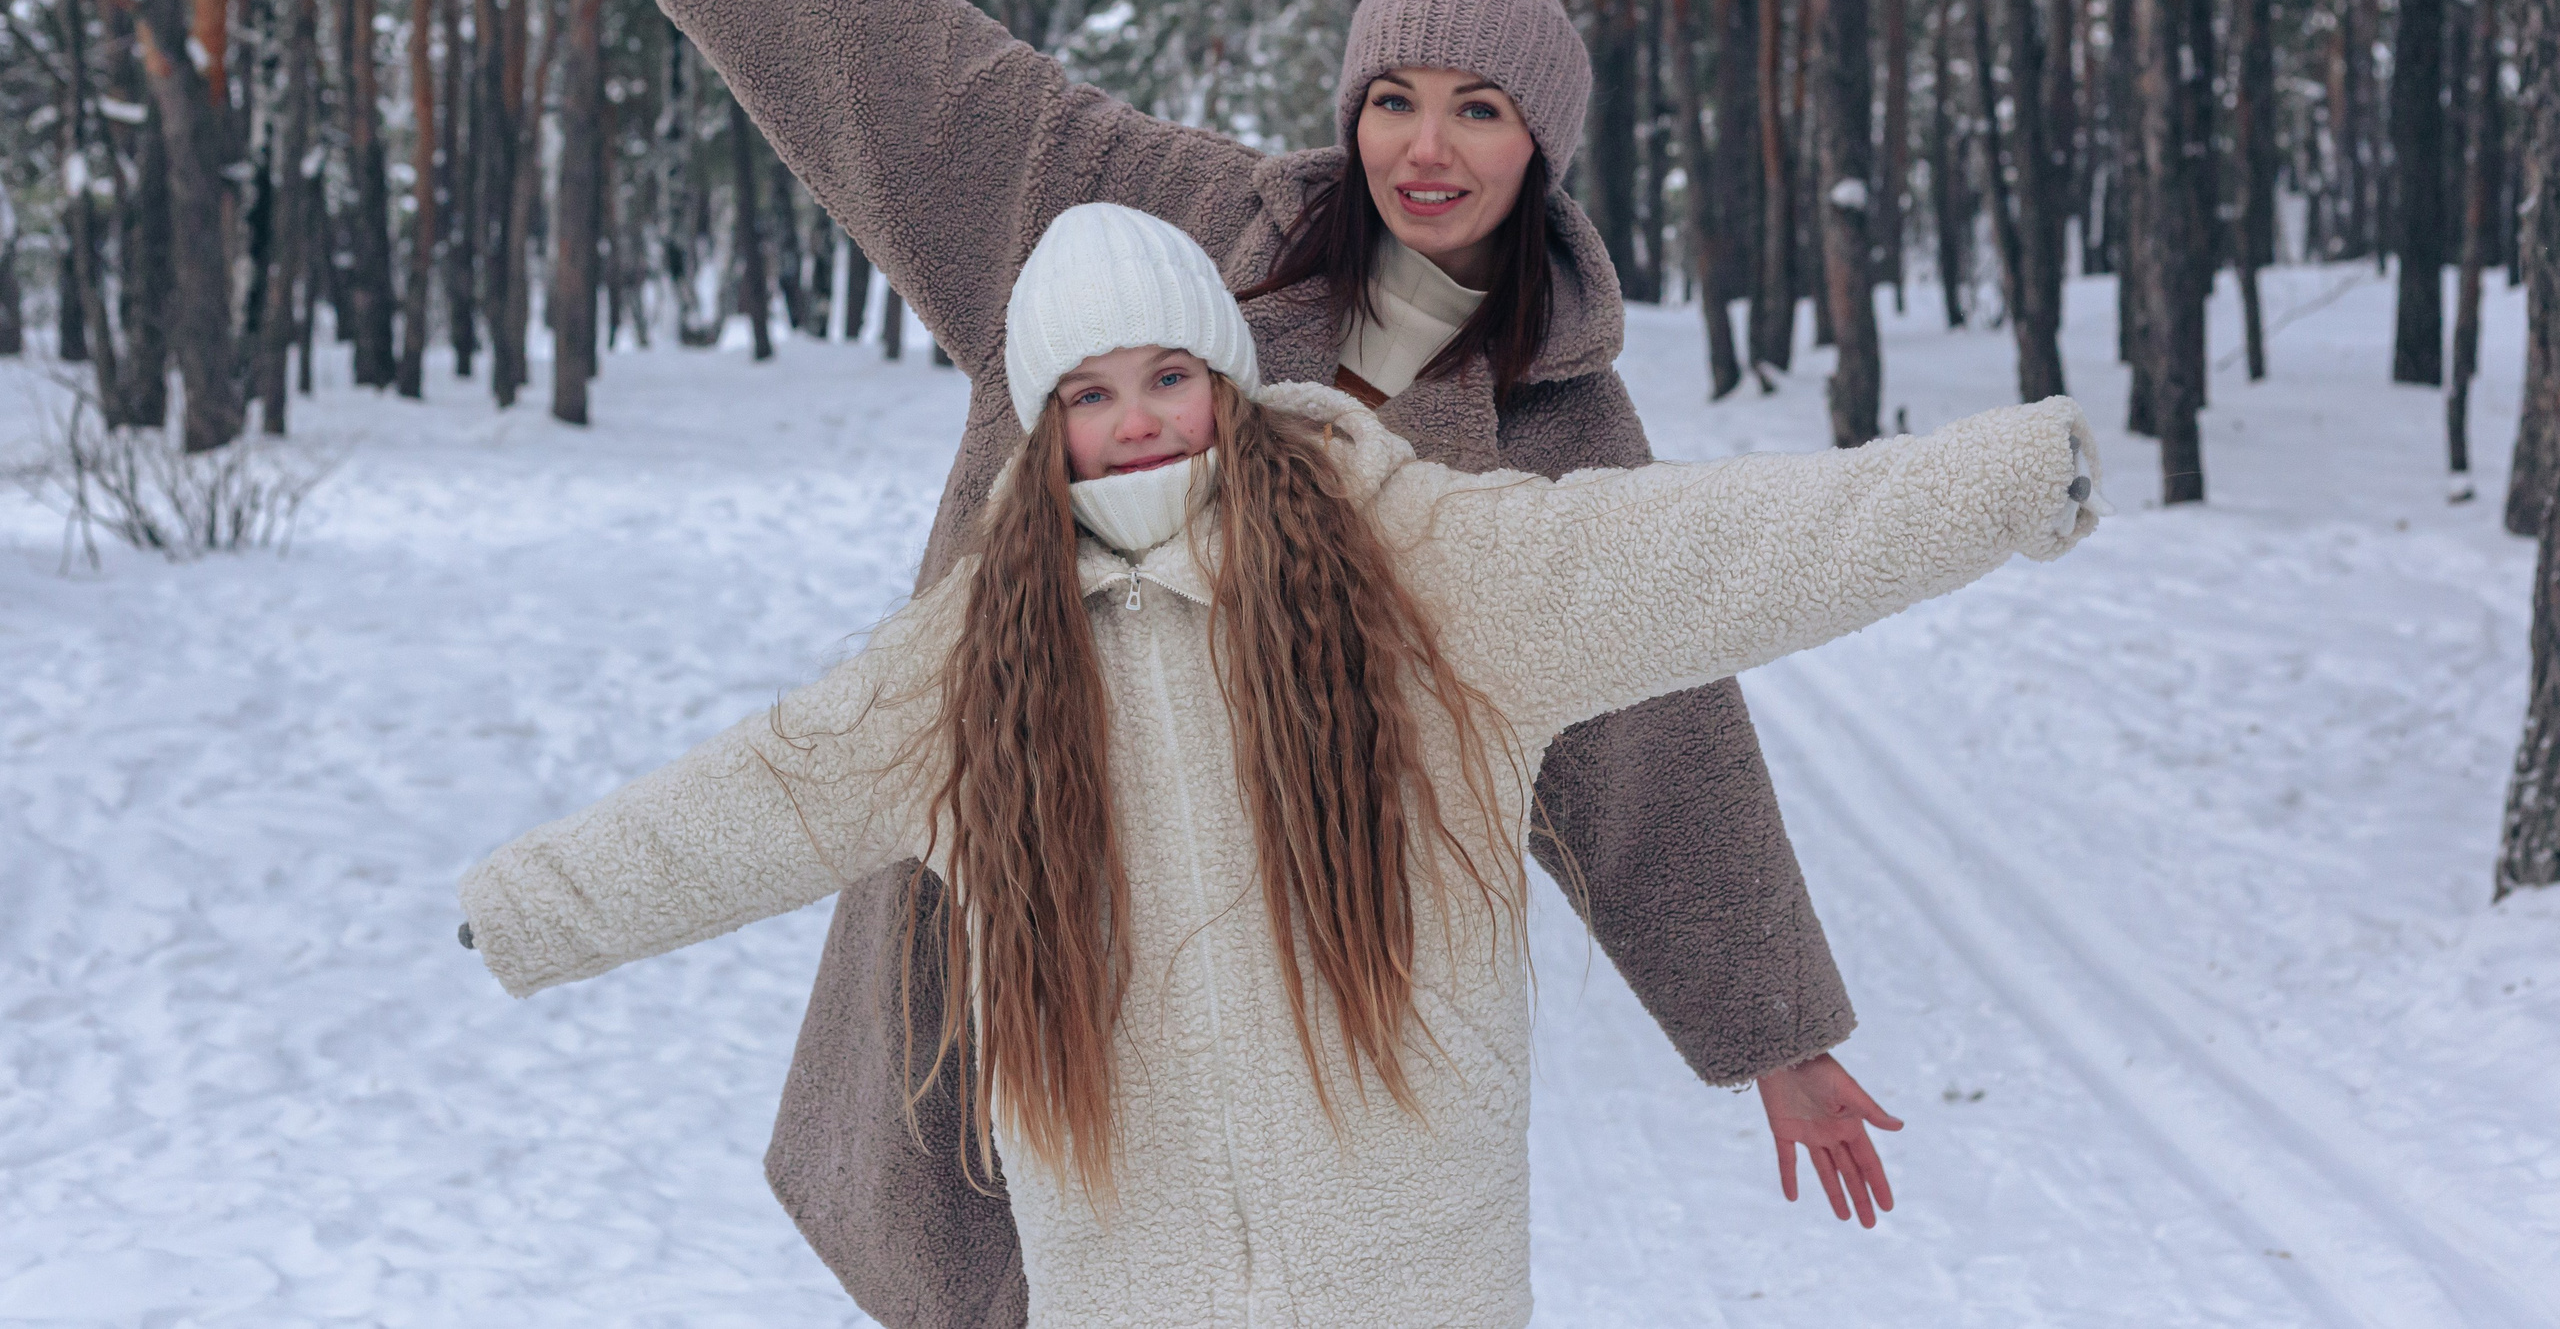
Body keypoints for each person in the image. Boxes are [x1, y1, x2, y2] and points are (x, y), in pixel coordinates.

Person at [507, 0, 1901, 1326]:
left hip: (1311, 952)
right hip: (1053, 866)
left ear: (1543, 146)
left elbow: (1655, 732)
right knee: (1032, 1238)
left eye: (1478, 110)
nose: (1424, 148)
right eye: (1393, 98)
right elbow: (938, 92)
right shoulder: (1168, 215)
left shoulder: (1551, 420)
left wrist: (1774, 1031)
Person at [461, 204, 2104, 1327]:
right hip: (1133, 1275)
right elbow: (760, 793)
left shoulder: (1424, 573)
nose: (1141, 422)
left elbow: (1707, 550)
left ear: (1229, 381)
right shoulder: (965, 667)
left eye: (1170, 374)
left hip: (1415, 1266)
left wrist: (2008, 479)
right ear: (1042, 428)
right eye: (1091, 396)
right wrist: (533, 909)